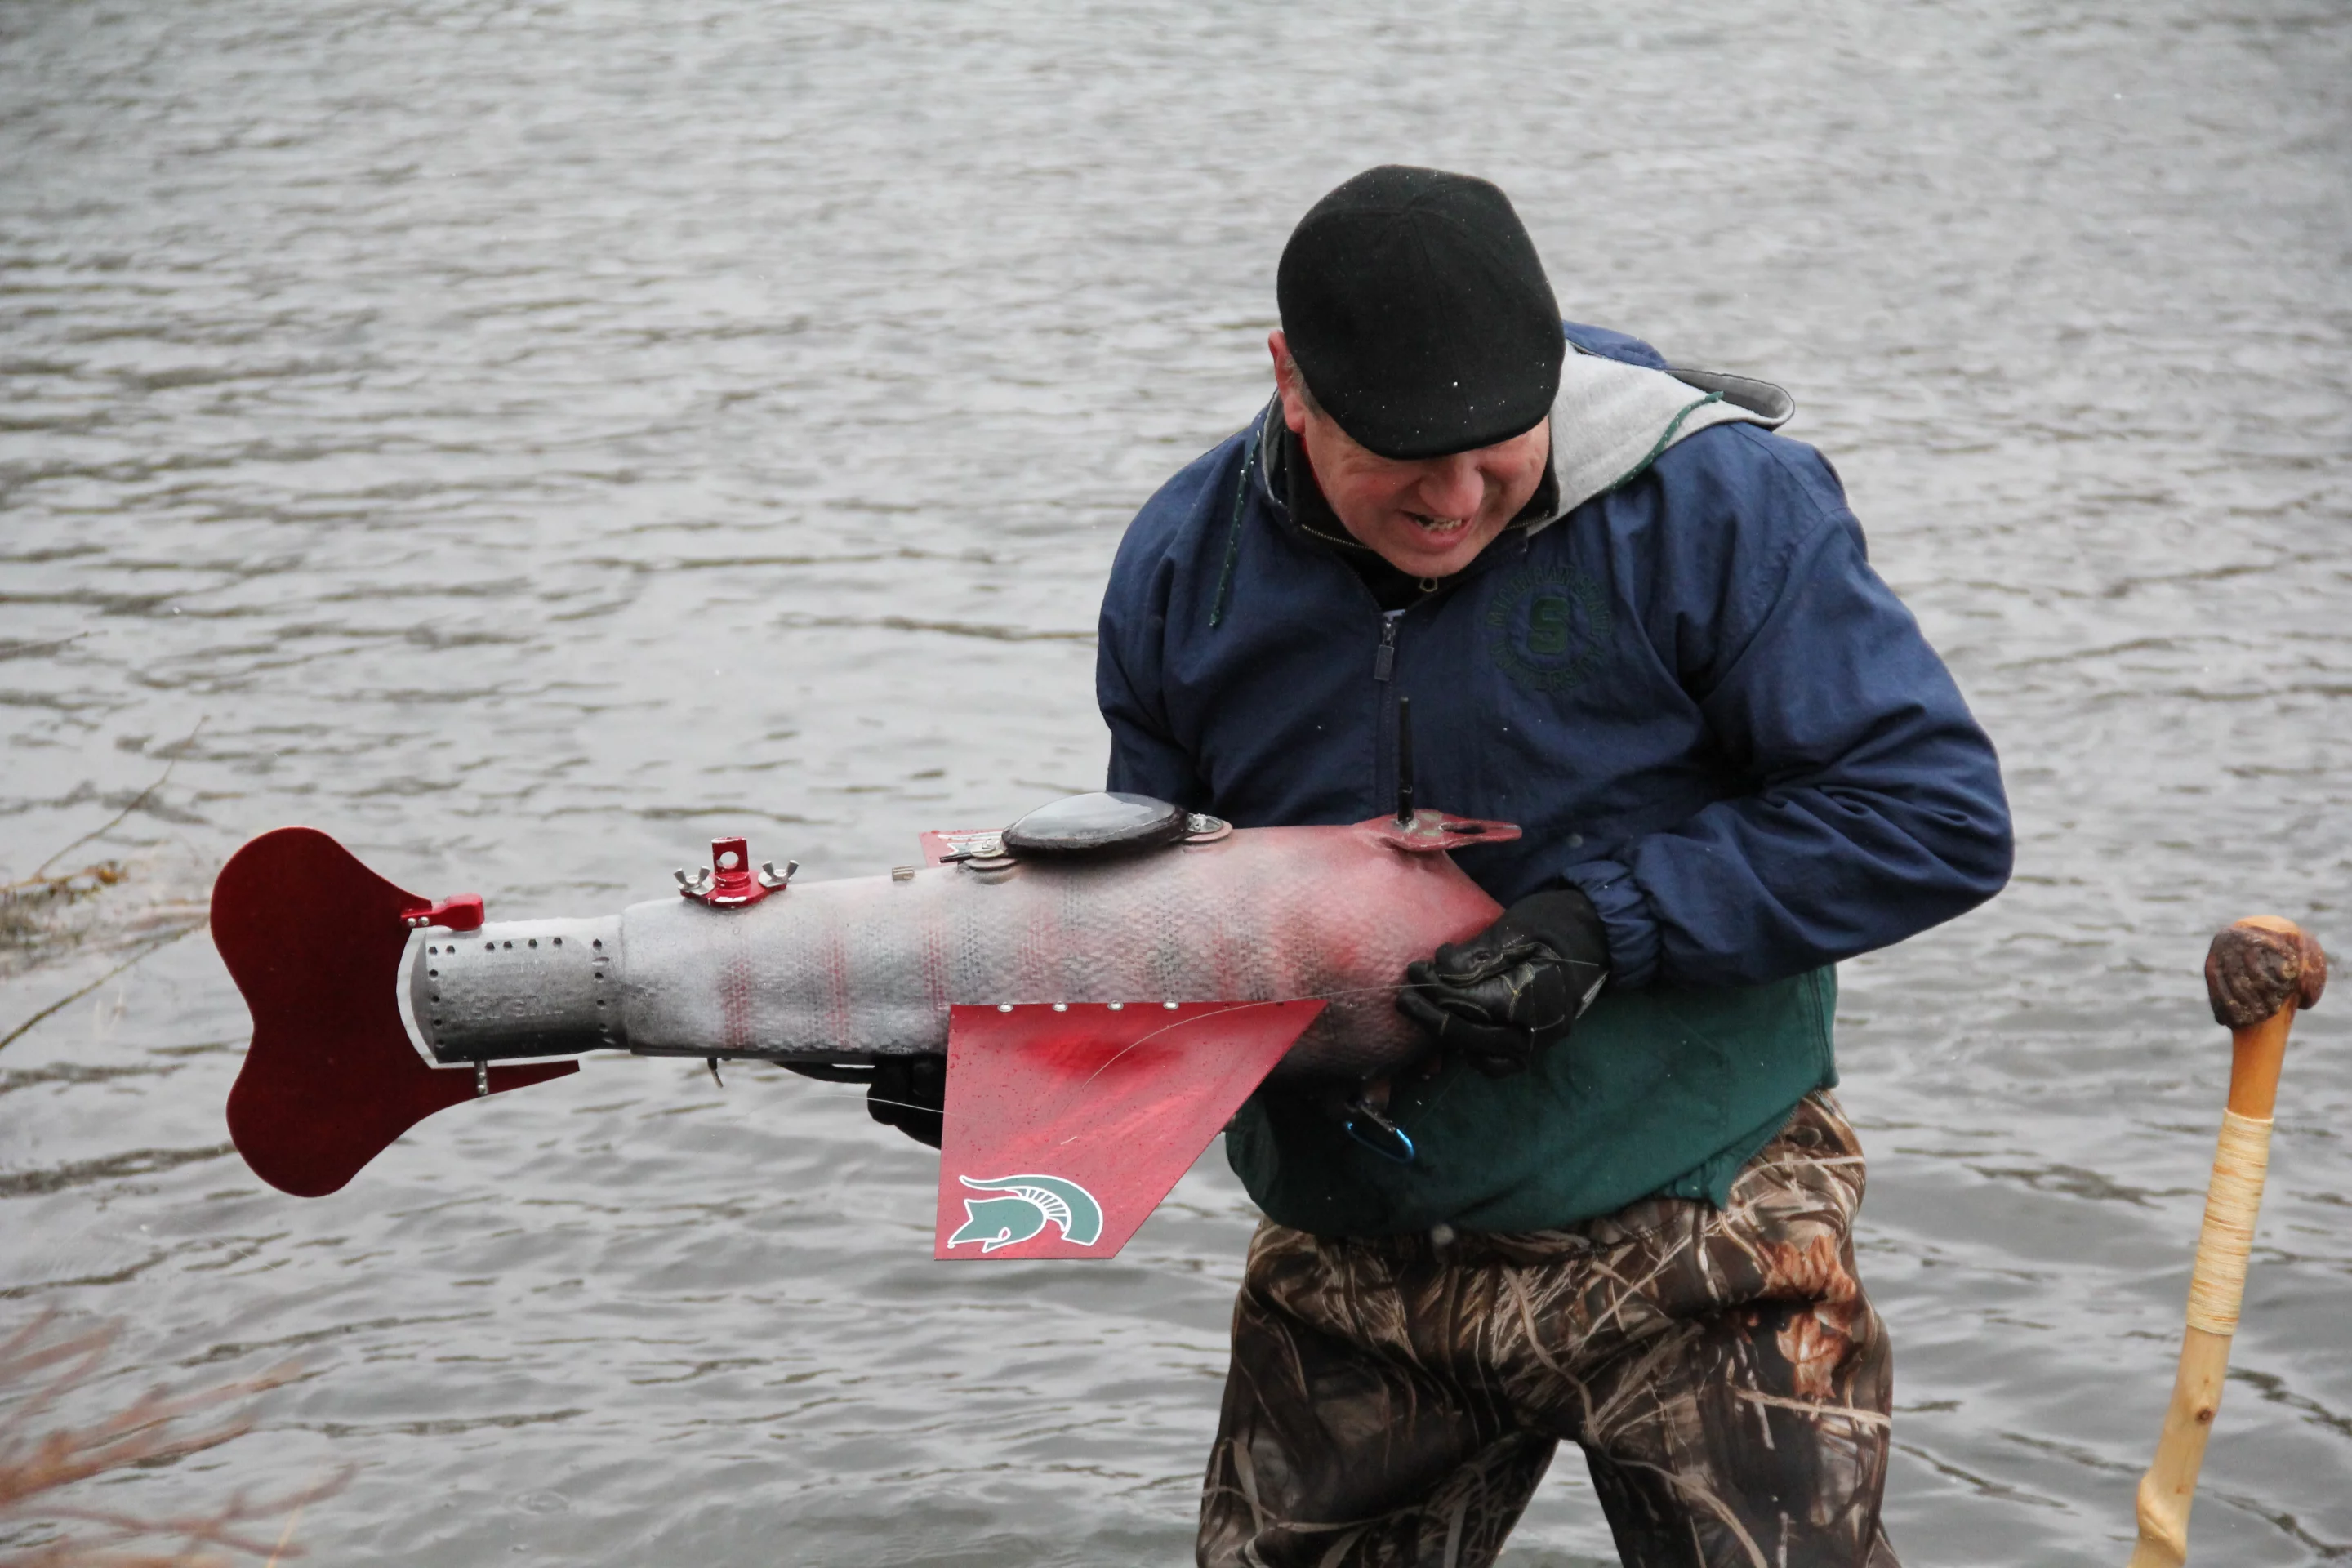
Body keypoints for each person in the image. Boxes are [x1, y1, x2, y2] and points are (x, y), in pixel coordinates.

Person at [1090, 166, 2014, 1567]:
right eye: (1404, 453)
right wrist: (1036, 1065)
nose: (1455, 498)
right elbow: (1173, 915)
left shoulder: (1722, 503)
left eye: (1498, 444)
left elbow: (1929, 816)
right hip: (1356, 1247)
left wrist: (1608, 923)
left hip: (1702, 1218)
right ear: (1292, 382)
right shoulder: (1184, 563)